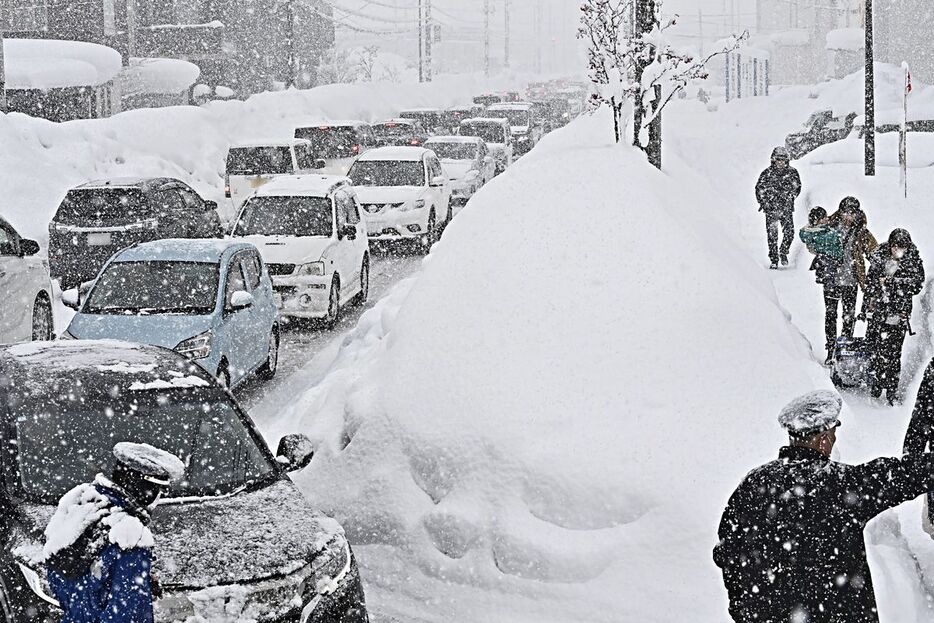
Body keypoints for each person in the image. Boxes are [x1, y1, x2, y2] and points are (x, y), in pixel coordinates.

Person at [713, 390, 934, 623]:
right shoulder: (843, 485)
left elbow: (726, 552)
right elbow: (904, 474)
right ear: (824, 439)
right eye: (834, 432)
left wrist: (743, 608)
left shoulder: (753, 484)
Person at [43, 442, 185, 623]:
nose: (160, 496)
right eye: (160, 488)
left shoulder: (79, 509)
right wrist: (134, 581)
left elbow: (66, 583)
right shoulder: (131, 538)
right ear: (143, 487)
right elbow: (128, 616)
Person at [863, 228, 925, 404]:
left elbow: (916, 285)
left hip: (899, 312)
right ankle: (876, 382)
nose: (898, 251)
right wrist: (867, 305)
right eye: (895, 247)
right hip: (878, 311)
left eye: (902, 247)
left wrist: (893, 283)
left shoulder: (912, 261)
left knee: (894, 352)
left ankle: (891, 388)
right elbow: (870, 283)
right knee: (875, 347)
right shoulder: (879, 258)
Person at [800, 206, 845, 364]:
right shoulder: (830, 233)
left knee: (832, 314)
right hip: (836, 277)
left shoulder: (817, 233)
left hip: (831, 278)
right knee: (839, 315)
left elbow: (805, 236)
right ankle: (837, 349)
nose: (827, 220)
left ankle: (833, 348)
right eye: (824, 218)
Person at [756, 146, 802, 269]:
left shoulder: (792, 173)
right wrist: (764, 202)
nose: (781, 162)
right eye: (778, 160)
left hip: (786, 208)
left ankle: (783, 251)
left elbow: (797, 187)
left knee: (789, 233)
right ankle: (774, 259)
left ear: (787, 161)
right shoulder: (766, 174)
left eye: (783, 160)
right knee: (772, 235)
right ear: (773, 160)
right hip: (771, 209)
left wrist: (791, 197)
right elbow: (759, 189)